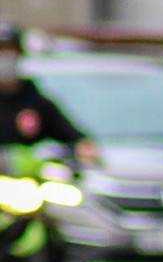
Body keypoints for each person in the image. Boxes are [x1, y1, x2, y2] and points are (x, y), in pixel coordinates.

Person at [0, 23, 95, 162]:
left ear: (19, 54)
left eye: (9, 50)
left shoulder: (36, 101)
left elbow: (77, 140)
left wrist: (84, 151)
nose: (4, 57)